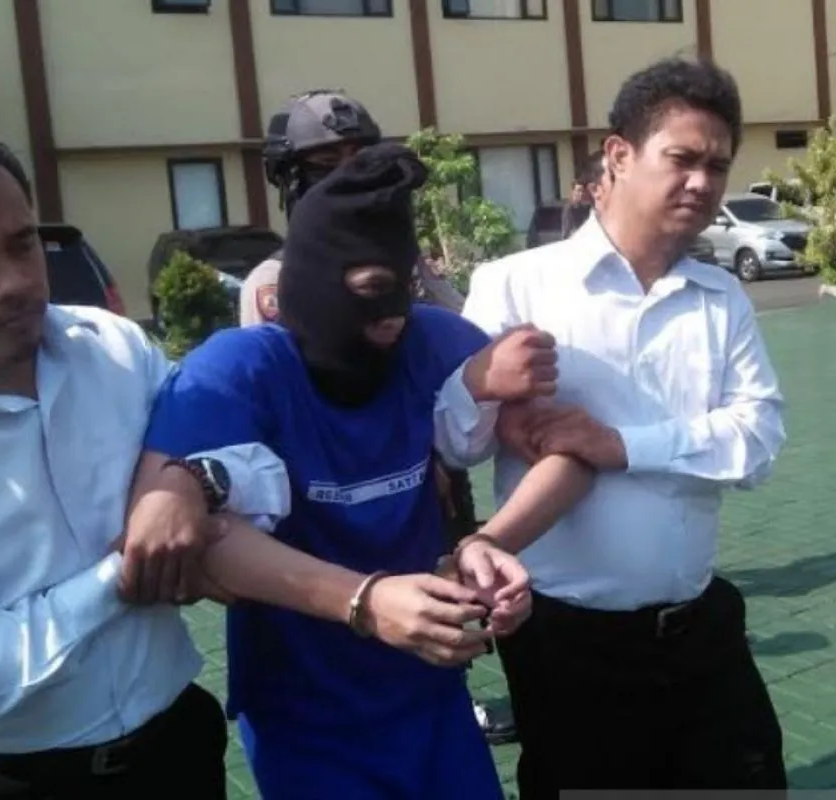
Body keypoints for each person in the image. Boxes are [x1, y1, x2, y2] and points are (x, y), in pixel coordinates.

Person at [0, 125, 505, 800]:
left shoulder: (111, 350)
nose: (14, 281)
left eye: (23, 244)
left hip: (169, 753)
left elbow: (256, 478)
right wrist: (118, 578)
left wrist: (189, 483)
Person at [138, 142, 581, 799]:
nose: (393, 314)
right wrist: (366, 602)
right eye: (372, 290)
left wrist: (488, 543)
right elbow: (180, 526)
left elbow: (569, 452)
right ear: (310, 284)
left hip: (429, 690)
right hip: (304, 710)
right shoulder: (237, 369)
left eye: (406, 287)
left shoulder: (433, 341)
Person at [461, 57, 788, 795]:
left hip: (701, 630)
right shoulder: (516, 285)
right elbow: (455, 441)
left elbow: (758, 438)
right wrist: (483, 387)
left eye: (717, 166)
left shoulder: (719, 297)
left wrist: (621, 446)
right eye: (681, 158)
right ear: (618, 155)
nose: (701, 182)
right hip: (569, 642)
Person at [243, 87, 514, 742]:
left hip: (423, 484)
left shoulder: (405, 265)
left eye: (359, 160)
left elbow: (455, 340)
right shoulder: (274, 284)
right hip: (328, 505)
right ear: (289, 179)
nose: (346, 177)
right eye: (323, 165)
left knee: (442, 617)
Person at [558, 154, 605, 239]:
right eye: (578, 190)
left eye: (582, 191)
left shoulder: (589, 207)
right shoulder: (569, 209)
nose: (581, 193)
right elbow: (566, 230)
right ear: (573, 192)